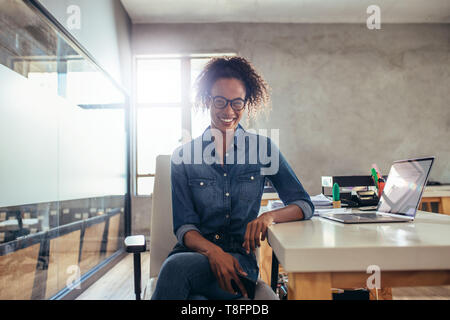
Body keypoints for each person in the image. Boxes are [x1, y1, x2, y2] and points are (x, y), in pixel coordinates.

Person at [151, 56, 314, 300]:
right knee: (191, 293)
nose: (228, 111)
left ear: (246, 103)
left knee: (176, 273)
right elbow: (184, 227)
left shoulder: (264, 149)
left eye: (237, 103)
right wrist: (214, 253)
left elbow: (303, 204)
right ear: (207, 100)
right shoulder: (183, 156)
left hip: (239, 265)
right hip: (192, 258)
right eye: (219, 101)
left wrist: (268, 217)